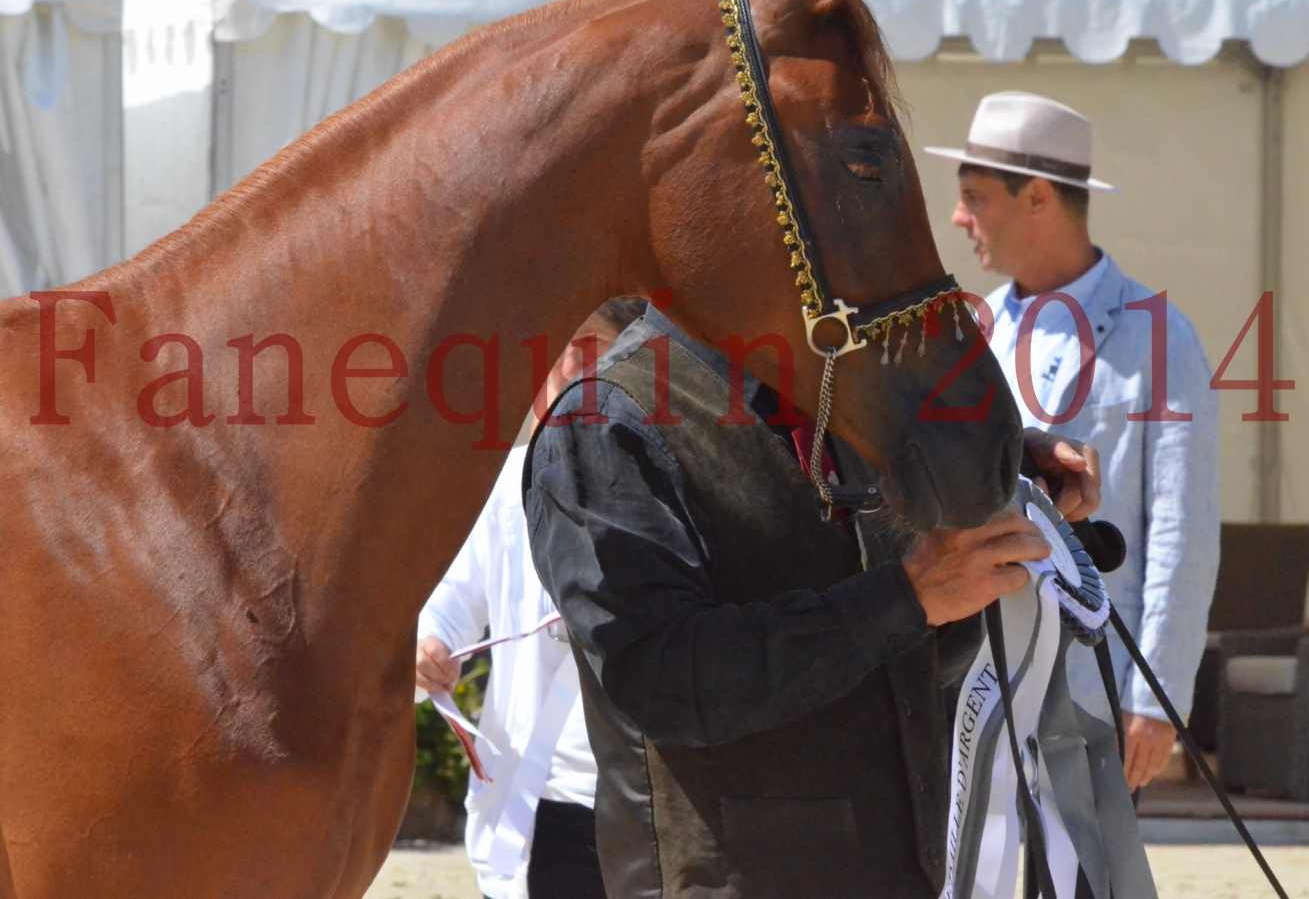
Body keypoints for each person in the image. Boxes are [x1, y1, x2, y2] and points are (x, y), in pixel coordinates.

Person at [524, 303, 1099, 898]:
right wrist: (909, 596)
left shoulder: (851, 400)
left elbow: (924, 660)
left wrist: (994, 510)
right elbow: (664, 681)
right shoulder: (606, 421)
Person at [927, 90, 1220, 792]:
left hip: (1096, 684)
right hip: (977, 680)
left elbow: (1183, 528)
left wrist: (1154, 697)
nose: (958, 218)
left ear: (1035, 198)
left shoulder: (1156, 333)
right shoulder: (974, 333)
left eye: (974, 196)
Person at [415, 299, 643, 899]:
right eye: (554, 344)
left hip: (642, 816)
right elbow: (450, 601)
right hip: (530, 813)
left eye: (592, 343)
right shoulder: (505, 485)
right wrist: (432, 645)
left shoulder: (675, 496)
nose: (569, 362)